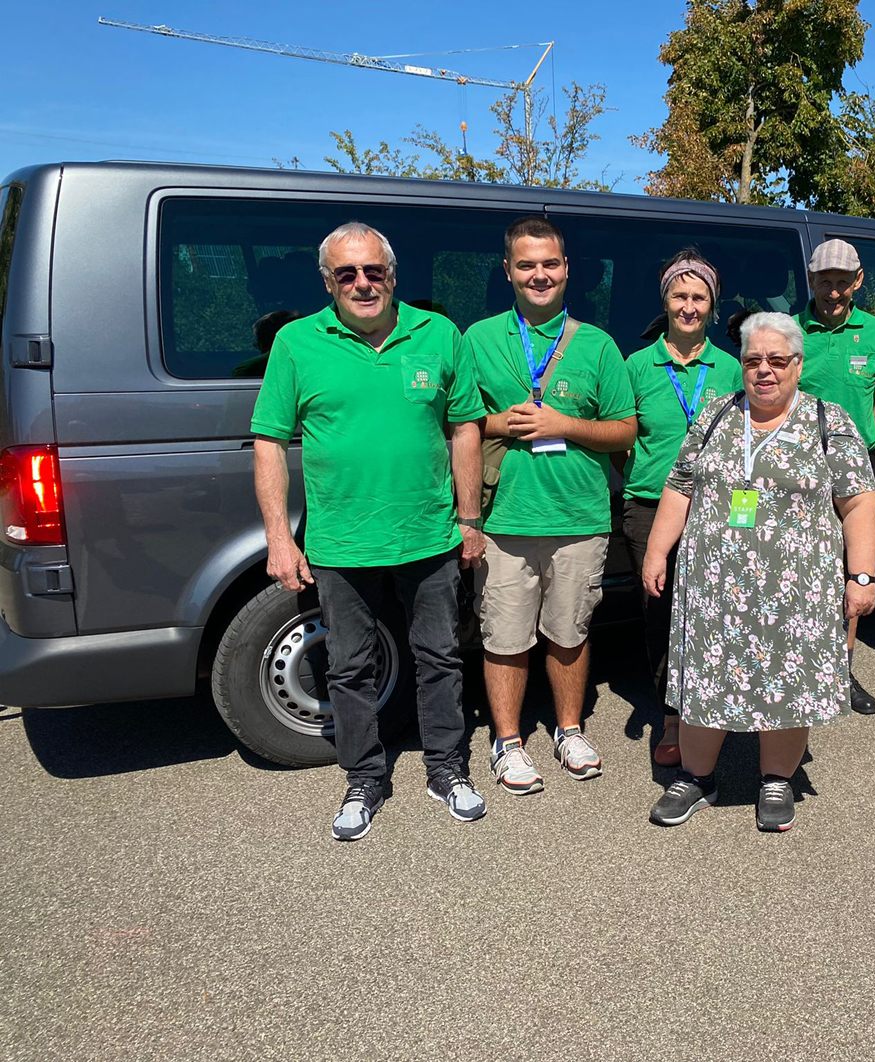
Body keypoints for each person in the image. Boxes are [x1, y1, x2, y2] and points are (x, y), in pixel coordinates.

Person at [251, 221, 488, 842]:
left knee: (439, 658)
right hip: (340, 542)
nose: (362, 283)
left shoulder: (438, 334)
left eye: (373, 271)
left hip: (430, 536)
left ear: (392, 275)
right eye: (347, 274)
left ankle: (448, 769)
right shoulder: (298, 343)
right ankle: (363, 778)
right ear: (328, 282)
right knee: (350, 668)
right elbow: (270, 441)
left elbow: (466, 427)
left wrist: (469, 520)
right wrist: (279, 536)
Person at [640, 312, 875, 832]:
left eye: (777, 360)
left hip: (797, 592)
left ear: (798, 363)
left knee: (786, 681)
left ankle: (777, 778)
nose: (764, 370)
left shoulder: (828, 420)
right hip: (713, 588)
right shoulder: (716, 415)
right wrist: (657, 551)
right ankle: (697, 778)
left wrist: (861, 575)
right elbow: (680, 486)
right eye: (754, 360)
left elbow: (859, 501)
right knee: (706, 678)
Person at [466, 216, 637, 795]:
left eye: (551, 264)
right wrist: (498, 421)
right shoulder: (479, 339)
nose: (540, 275)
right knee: (505, 638)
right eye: (527, 264)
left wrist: (563, 424)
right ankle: (507, 742)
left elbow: (625, 431)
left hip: (580, 519)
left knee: (569, 633)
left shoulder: (598, 344)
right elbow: (455, 421)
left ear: (567, 271)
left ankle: (569, 728)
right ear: (508, 271)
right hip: (505, 520)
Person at [621, 251, 743, 768]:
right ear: (665, 301)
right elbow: (621, 440)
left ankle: (713, 707)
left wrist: (743, 514)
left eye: (699, 298)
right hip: (651, 506)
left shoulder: (733, 366)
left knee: (716, 614)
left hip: (717, 508)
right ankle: (672, 715)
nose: (689, 307)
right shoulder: (638, 364)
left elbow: (746, 446)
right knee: (662, 616)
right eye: (680, 296)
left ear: (713, 307)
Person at [795, 238, 875, 716]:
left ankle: (842, 666)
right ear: (811, 281)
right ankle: (795, 663)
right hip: (798, 469)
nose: (833, 292)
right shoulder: (791, 331)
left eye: (842, 283)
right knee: (796, 569)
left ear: (858, 281)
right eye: (824, 282)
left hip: (854, 473)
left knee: (849, 571)